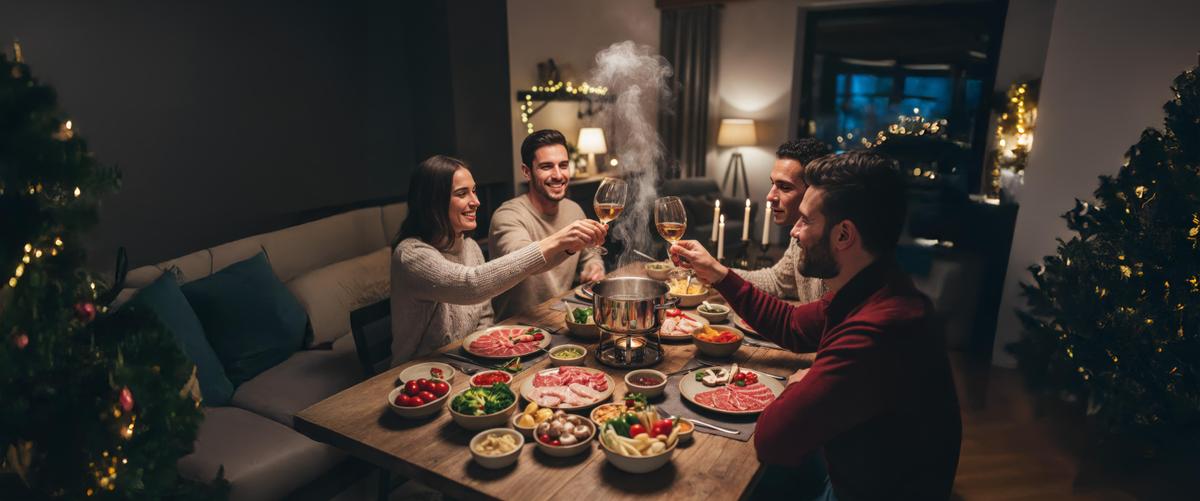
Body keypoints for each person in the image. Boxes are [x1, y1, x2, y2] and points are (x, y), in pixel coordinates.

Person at [669, 151, 961, 500]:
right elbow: (791, 324)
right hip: (852, 466)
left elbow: (774, 440)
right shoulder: (872, 286)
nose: (794, 231)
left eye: (806, 220)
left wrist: (800, 381)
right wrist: (718, 274)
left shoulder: (880, 329)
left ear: (843, 235)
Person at [390, 155, 606, 366]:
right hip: (415, 376)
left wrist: (489, 352)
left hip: (464, 362)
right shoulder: (410, 255)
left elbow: (484, 316)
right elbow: (471, 285)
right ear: (433, 201)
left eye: (474, 191)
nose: (476, 201)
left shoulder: (470, 247)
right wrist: (558, 240)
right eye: (462, 193)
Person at [489, 129, 606, 319]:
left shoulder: (574, 210)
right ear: (527, 172)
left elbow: (590, 254)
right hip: (514, 330)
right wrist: (565, 239)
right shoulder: (507, 216)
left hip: (559, 317)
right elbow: (522, 263)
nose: (558, 175)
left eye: (563, 165)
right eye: (546, 167)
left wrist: (594, 267)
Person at [731, 138, 832, 301]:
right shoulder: (798, 237)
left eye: (785, 187)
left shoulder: (833, 249)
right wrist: (717, 272)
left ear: (813, 191)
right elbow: (777, 281)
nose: (770, 196)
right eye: (772, 184)